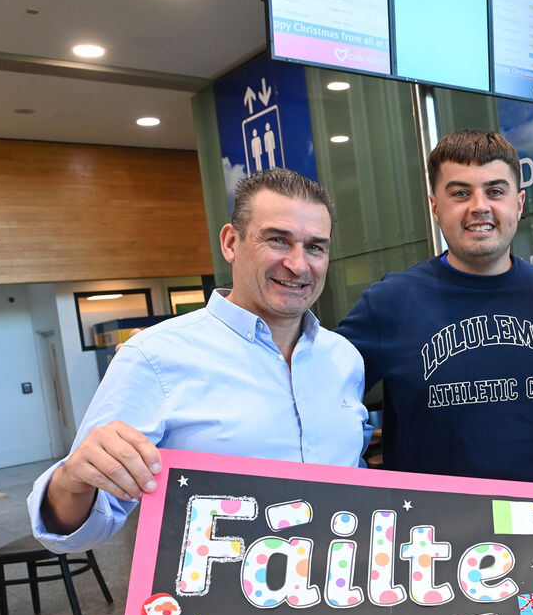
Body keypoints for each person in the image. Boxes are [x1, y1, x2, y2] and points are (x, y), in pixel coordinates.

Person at [29, 168, 369, 551]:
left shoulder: (344, 359)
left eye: (315, 247)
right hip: (216, 607)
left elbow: (352, 478)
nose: (298, 264)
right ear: (230, 243)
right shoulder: (153, 358)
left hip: (339, 595)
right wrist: (72, 480)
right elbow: (82, 530)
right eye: (277, 240)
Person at [337, 129, 533, 482]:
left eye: (495, 191)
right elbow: (319, 398)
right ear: (436, 207)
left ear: (519, 203)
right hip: (436, 530)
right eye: (461, 193)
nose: (479, 206)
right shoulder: (389, 304)